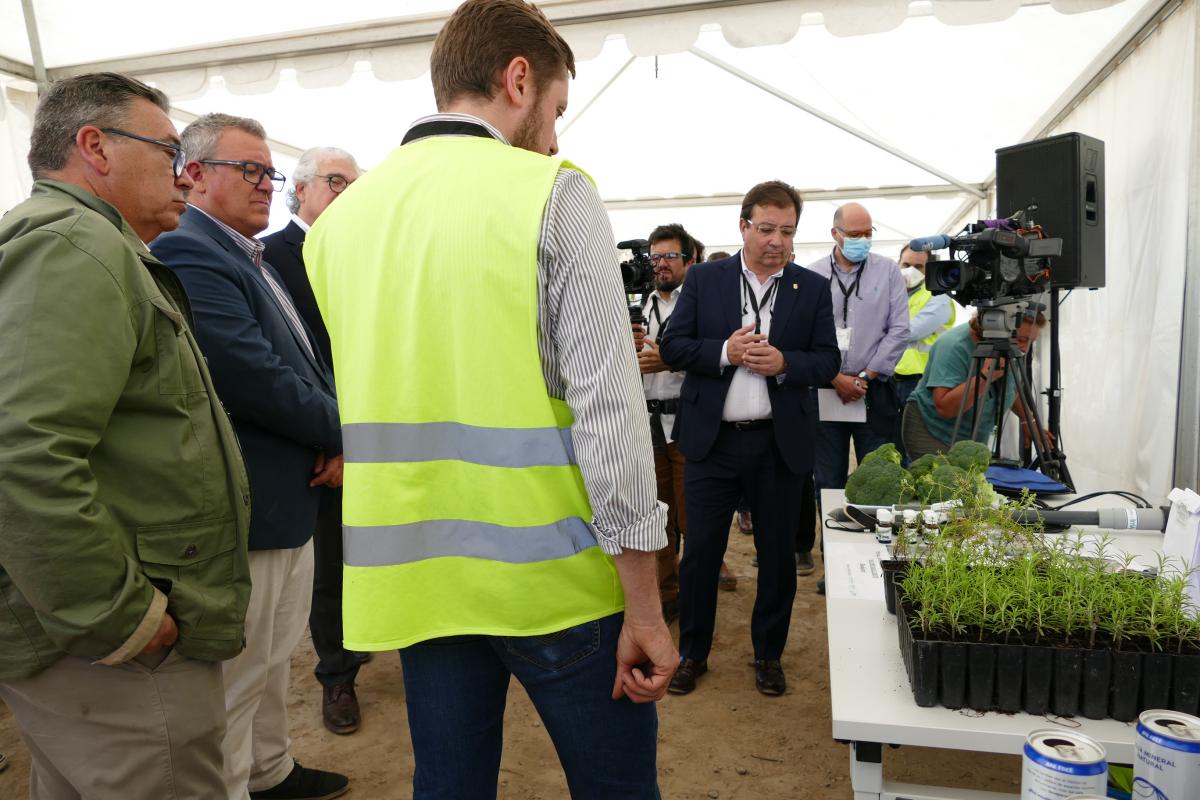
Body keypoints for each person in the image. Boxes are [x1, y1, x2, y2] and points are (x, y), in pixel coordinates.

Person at [302, 1, 677, 797]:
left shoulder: (338, 222)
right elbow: (609, 411)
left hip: (415, 580)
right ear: (518, 79)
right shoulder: (552, 191)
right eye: (557, 108)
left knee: (449, 784)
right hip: (553, 580)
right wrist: (645, 605)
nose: (556, 134)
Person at [0, 72, 251, 799]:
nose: (182, 173)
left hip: (100, 653)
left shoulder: (88, 245)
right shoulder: (75, 248)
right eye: (167, 150)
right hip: (116, 661)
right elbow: (21, 451)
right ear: (94, 148)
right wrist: (121, 620)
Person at [151, 114, 348, 800]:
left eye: (269, 171)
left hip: (289, 490)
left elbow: (304, 365)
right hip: (253, 503)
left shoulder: (241, 250)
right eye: (251, 171)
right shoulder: (191, 250)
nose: (267, 185)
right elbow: (249, 373)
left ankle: (271, 770)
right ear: (195, 174)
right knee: (238, 680)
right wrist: (342, 431)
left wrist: (329, 434)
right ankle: (236, 783)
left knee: (272, 662)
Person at [661, 181, 840, 697]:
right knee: (700, 556)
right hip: (712, 444)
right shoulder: (707, 279)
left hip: (778, 446)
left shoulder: (810, 287)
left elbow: (828, 360)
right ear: (743, 227)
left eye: (787, 231)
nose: (776, 241)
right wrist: (724, 352)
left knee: (778, 557)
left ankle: (768, 655)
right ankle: (693, 654)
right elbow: (674, 345)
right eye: (766, 229)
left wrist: (786, 363)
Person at [262, 146, 367, 737]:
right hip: (320, 443)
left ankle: (364, 640)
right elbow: (282, 362)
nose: (348, 192)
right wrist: (332, 440)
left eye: (356, 183)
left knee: (373, 552)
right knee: (328, 567)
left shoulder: (367, 255)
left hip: (375, 434)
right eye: (336, 182)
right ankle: (337, 676)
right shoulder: (270, 258)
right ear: (300, 190)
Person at [804, 203, 908, 591]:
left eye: (868, 234)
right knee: (827, 481)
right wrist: (834, 377)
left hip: (874, 390)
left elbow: (899, 330)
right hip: (825, 391)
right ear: (835, 234)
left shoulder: (888, 271)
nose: (862, 241)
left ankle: (881, 563)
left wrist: (865, 376)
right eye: (855, 234)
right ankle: (836, 563)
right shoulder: (811, 275)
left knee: (878, 480)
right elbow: (800, 334)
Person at [638, 224, 735, 624]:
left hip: (687, 420)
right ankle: (667, 592)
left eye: (669, 257)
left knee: (692, 513)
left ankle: (700, 586)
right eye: (654, 257)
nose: (660, 264)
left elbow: (717, 357)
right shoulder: (638, 302)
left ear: (690, 260)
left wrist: (671, 359)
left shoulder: (701, 301)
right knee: (657, 513)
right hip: (645, 422)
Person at [902, 307, 1049, 459]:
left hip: (971, 438)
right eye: (1022, 340)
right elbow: (945, 408)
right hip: (934, 433)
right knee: (949, 482)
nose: (1025, 348)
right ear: (998, 327)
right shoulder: (954, 345)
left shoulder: (1008, 347)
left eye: (1032, 341)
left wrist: (1027, 420)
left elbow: (1010, 388)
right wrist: (986, 376)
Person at [892, 244, 955, 460]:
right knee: (892, 446)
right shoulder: (893, 293)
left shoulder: (938, 297)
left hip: (922, 381)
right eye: (906, 264)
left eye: (919, 266)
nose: (911, 270)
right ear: (897, 264)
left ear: (931, 269)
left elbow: (910, 331)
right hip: (891, 379)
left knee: (915, 446)